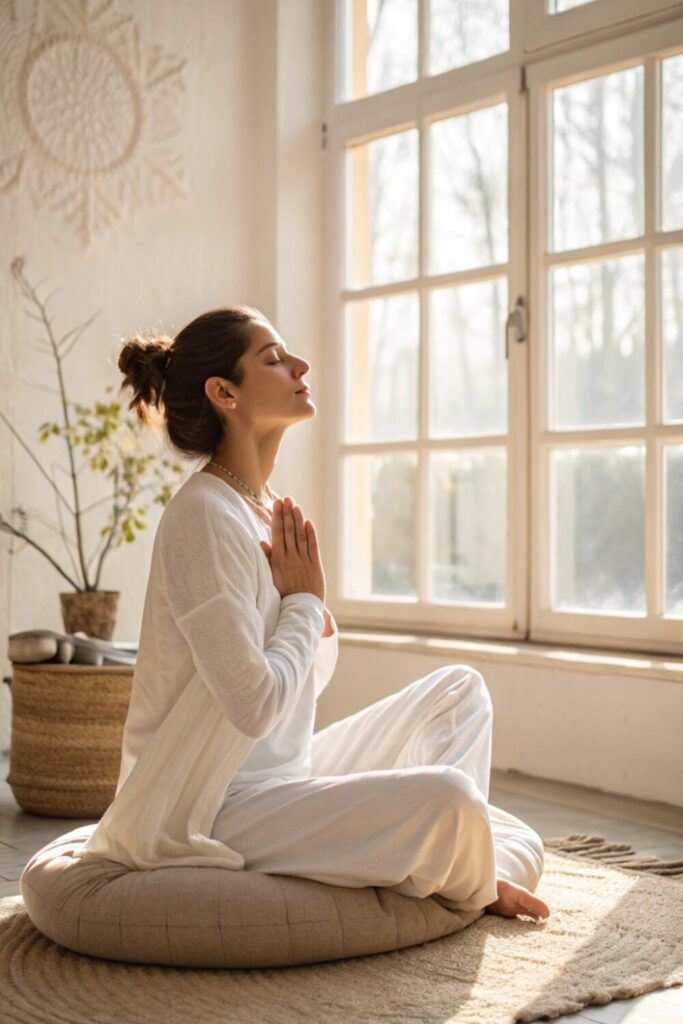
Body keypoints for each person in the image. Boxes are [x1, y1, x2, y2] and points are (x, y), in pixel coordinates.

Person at [80, 305, 549, 923]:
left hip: (283, 778)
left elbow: (301, 681)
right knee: (455, 803)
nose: (300, 365)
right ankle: (463, 876)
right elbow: (254, 705)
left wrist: (310, 612)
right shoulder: (202, 516)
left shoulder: (263, 508)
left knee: (461, 694)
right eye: (273, 358)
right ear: (224, 393)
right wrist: (304, 604)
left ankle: (451, 867)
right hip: (211, 804)